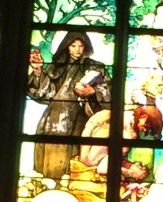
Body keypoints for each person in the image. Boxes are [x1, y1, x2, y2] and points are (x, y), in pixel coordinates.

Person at [27, 32, 111, 179]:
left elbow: (110, 92)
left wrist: (93, 92)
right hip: (53, 120)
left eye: (81, 46)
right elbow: (43, 93)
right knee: (50, 155)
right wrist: (37, 69)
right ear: (66, 46)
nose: (77, 49)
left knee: (75, 156)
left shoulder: (96, 67)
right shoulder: (56, 67)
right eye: (73, 45)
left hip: (81, 118)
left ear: (86, 47)